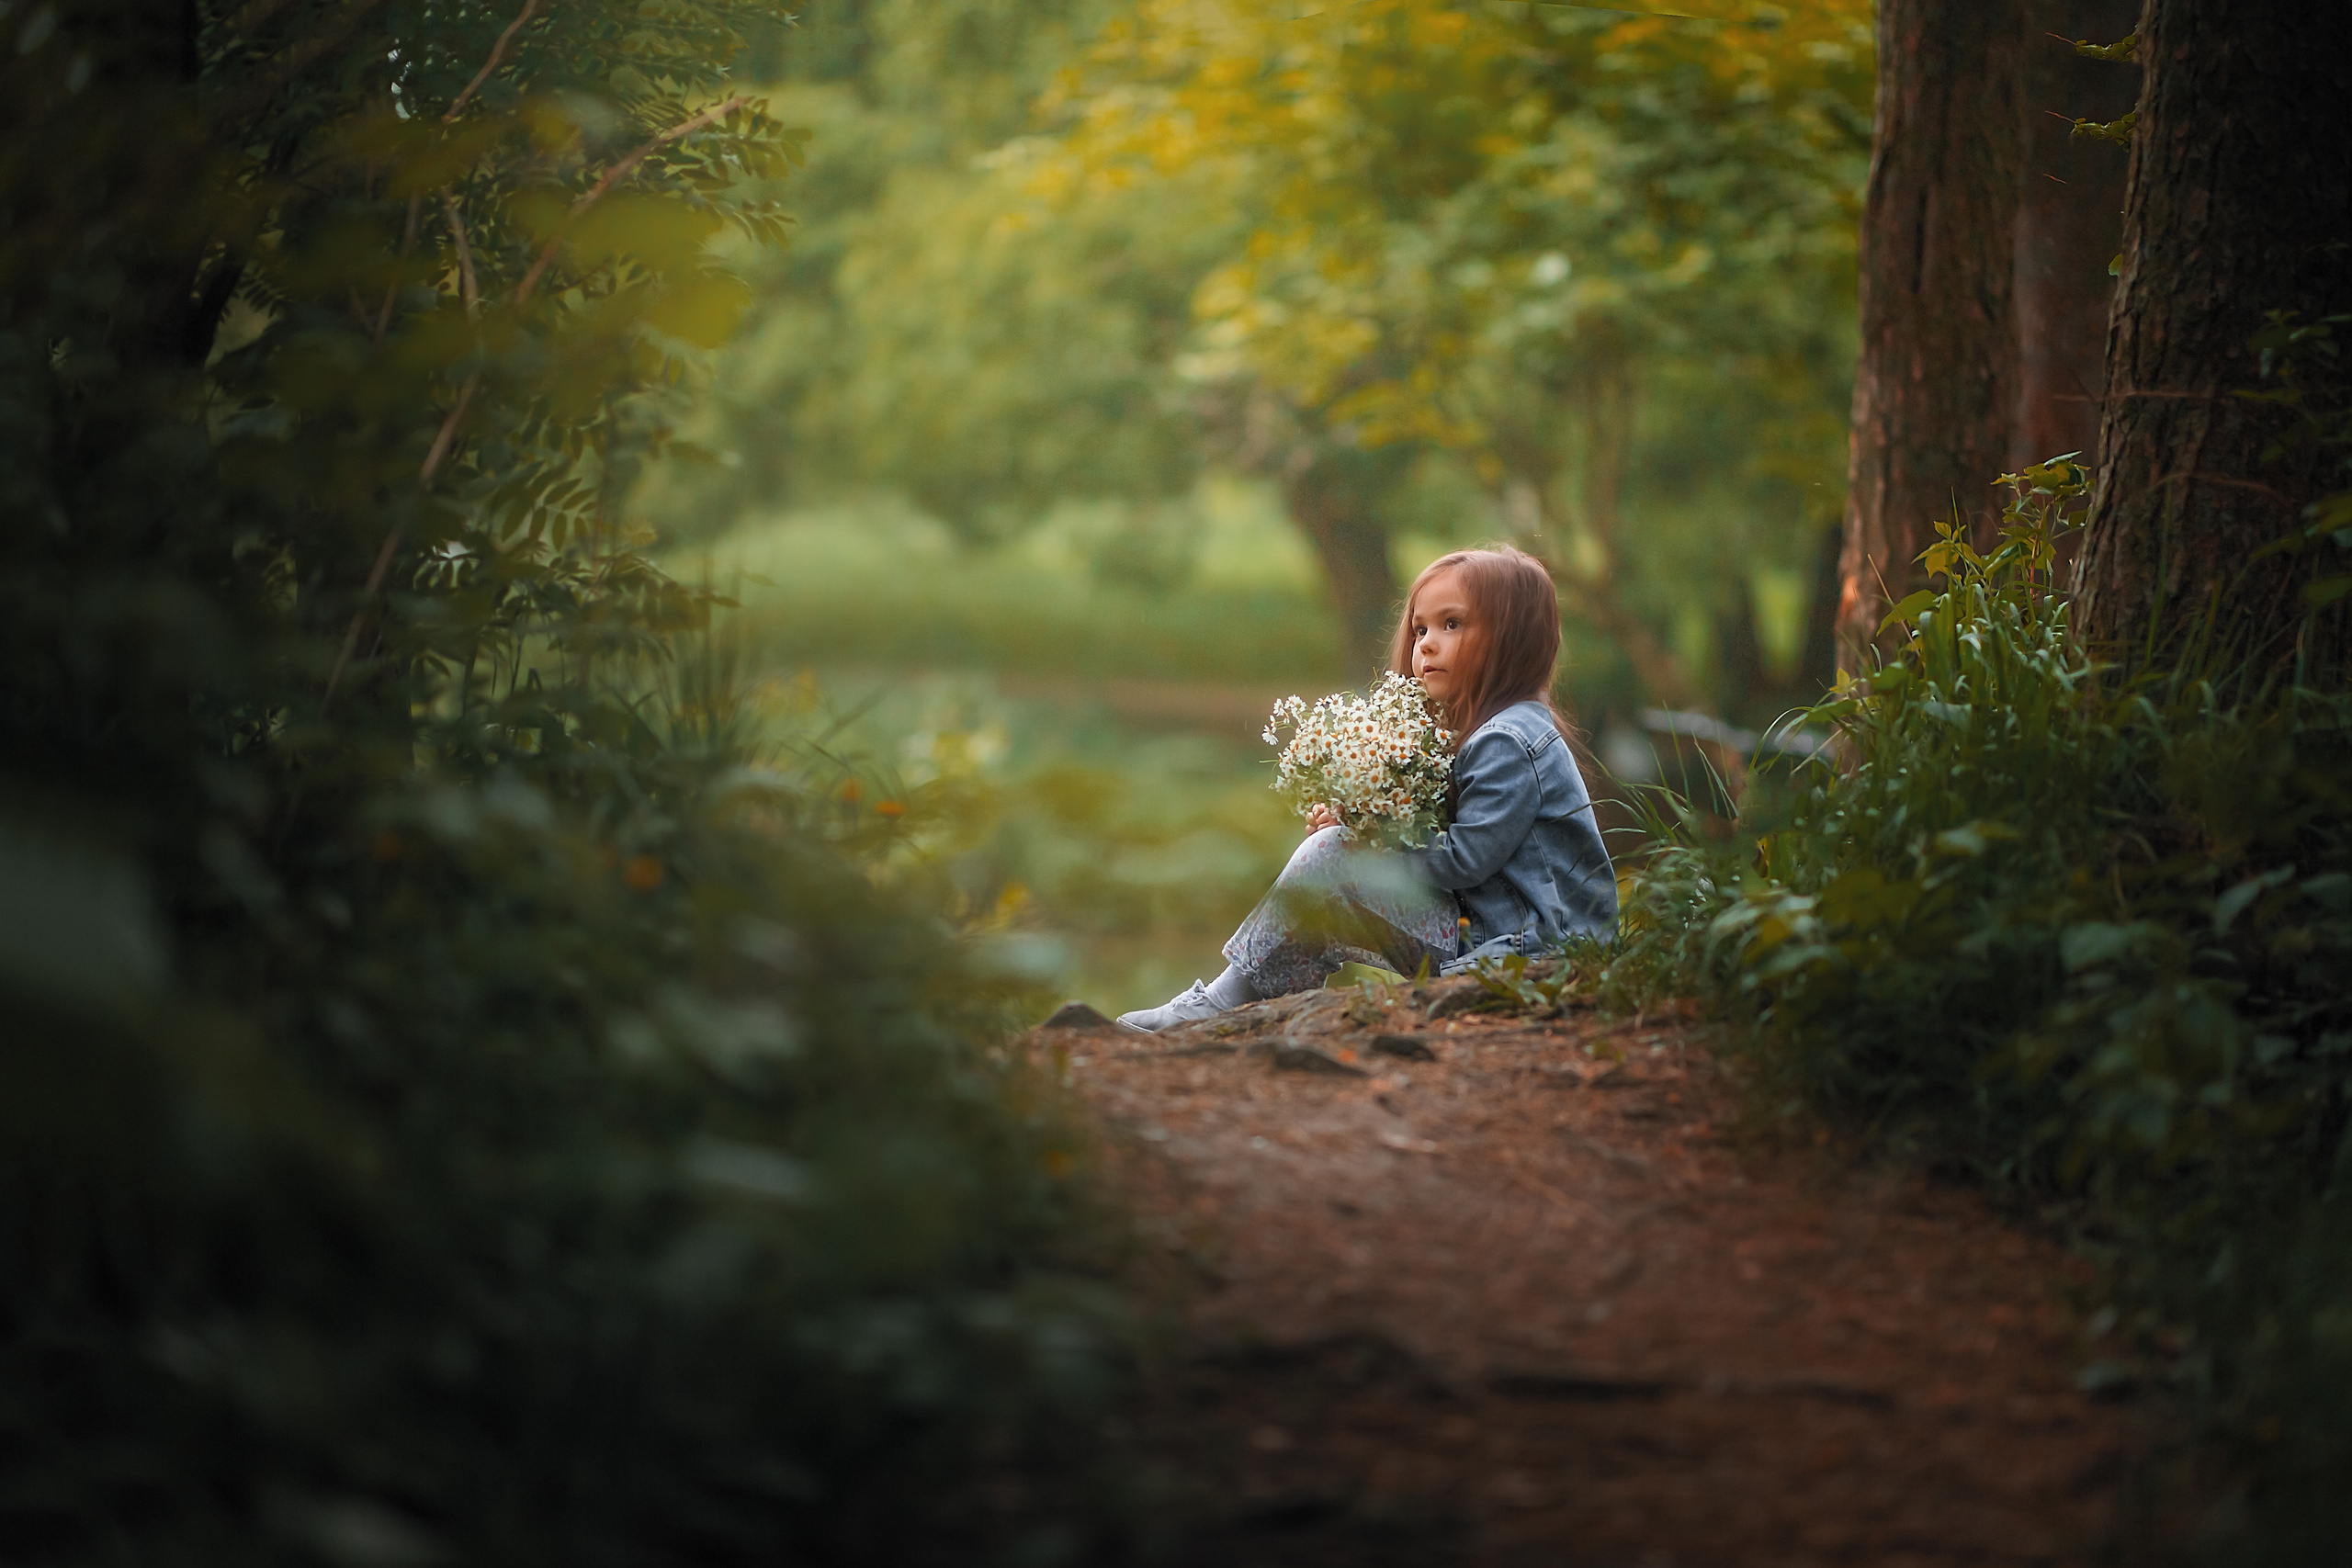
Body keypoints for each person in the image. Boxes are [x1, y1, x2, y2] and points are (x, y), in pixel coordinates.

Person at [1118, 546, 1618, 1032]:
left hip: (1535, 950)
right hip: (1502, 937)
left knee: (1332, 858)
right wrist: (1360, 820)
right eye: (1420, 628)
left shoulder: (1508, 741)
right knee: (1333, 854)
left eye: (1452, 624)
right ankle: (1243, 998)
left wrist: (1367, 840)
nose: (1425, 643)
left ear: (1514, 641)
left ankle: (1226, 1001)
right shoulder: (1493, 734)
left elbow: (1464, 861)